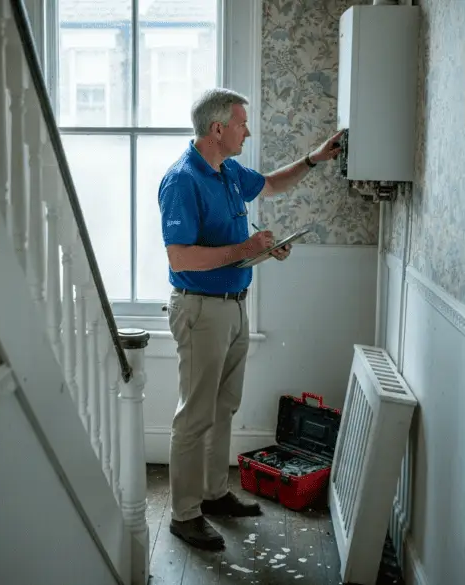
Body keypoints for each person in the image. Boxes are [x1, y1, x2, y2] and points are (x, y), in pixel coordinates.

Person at [157, 87, 344, 550]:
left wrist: (315, 159)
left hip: (233, 306)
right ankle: (184, 514)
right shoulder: (182, 180)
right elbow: (180, 258)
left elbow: (274, 184)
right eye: (242, 123)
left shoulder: (227, 171)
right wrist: (246, 249)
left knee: (222, 409)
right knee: (194, 416)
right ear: (217, 129)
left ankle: (216, 494)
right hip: (201, 310)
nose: (248, 130)